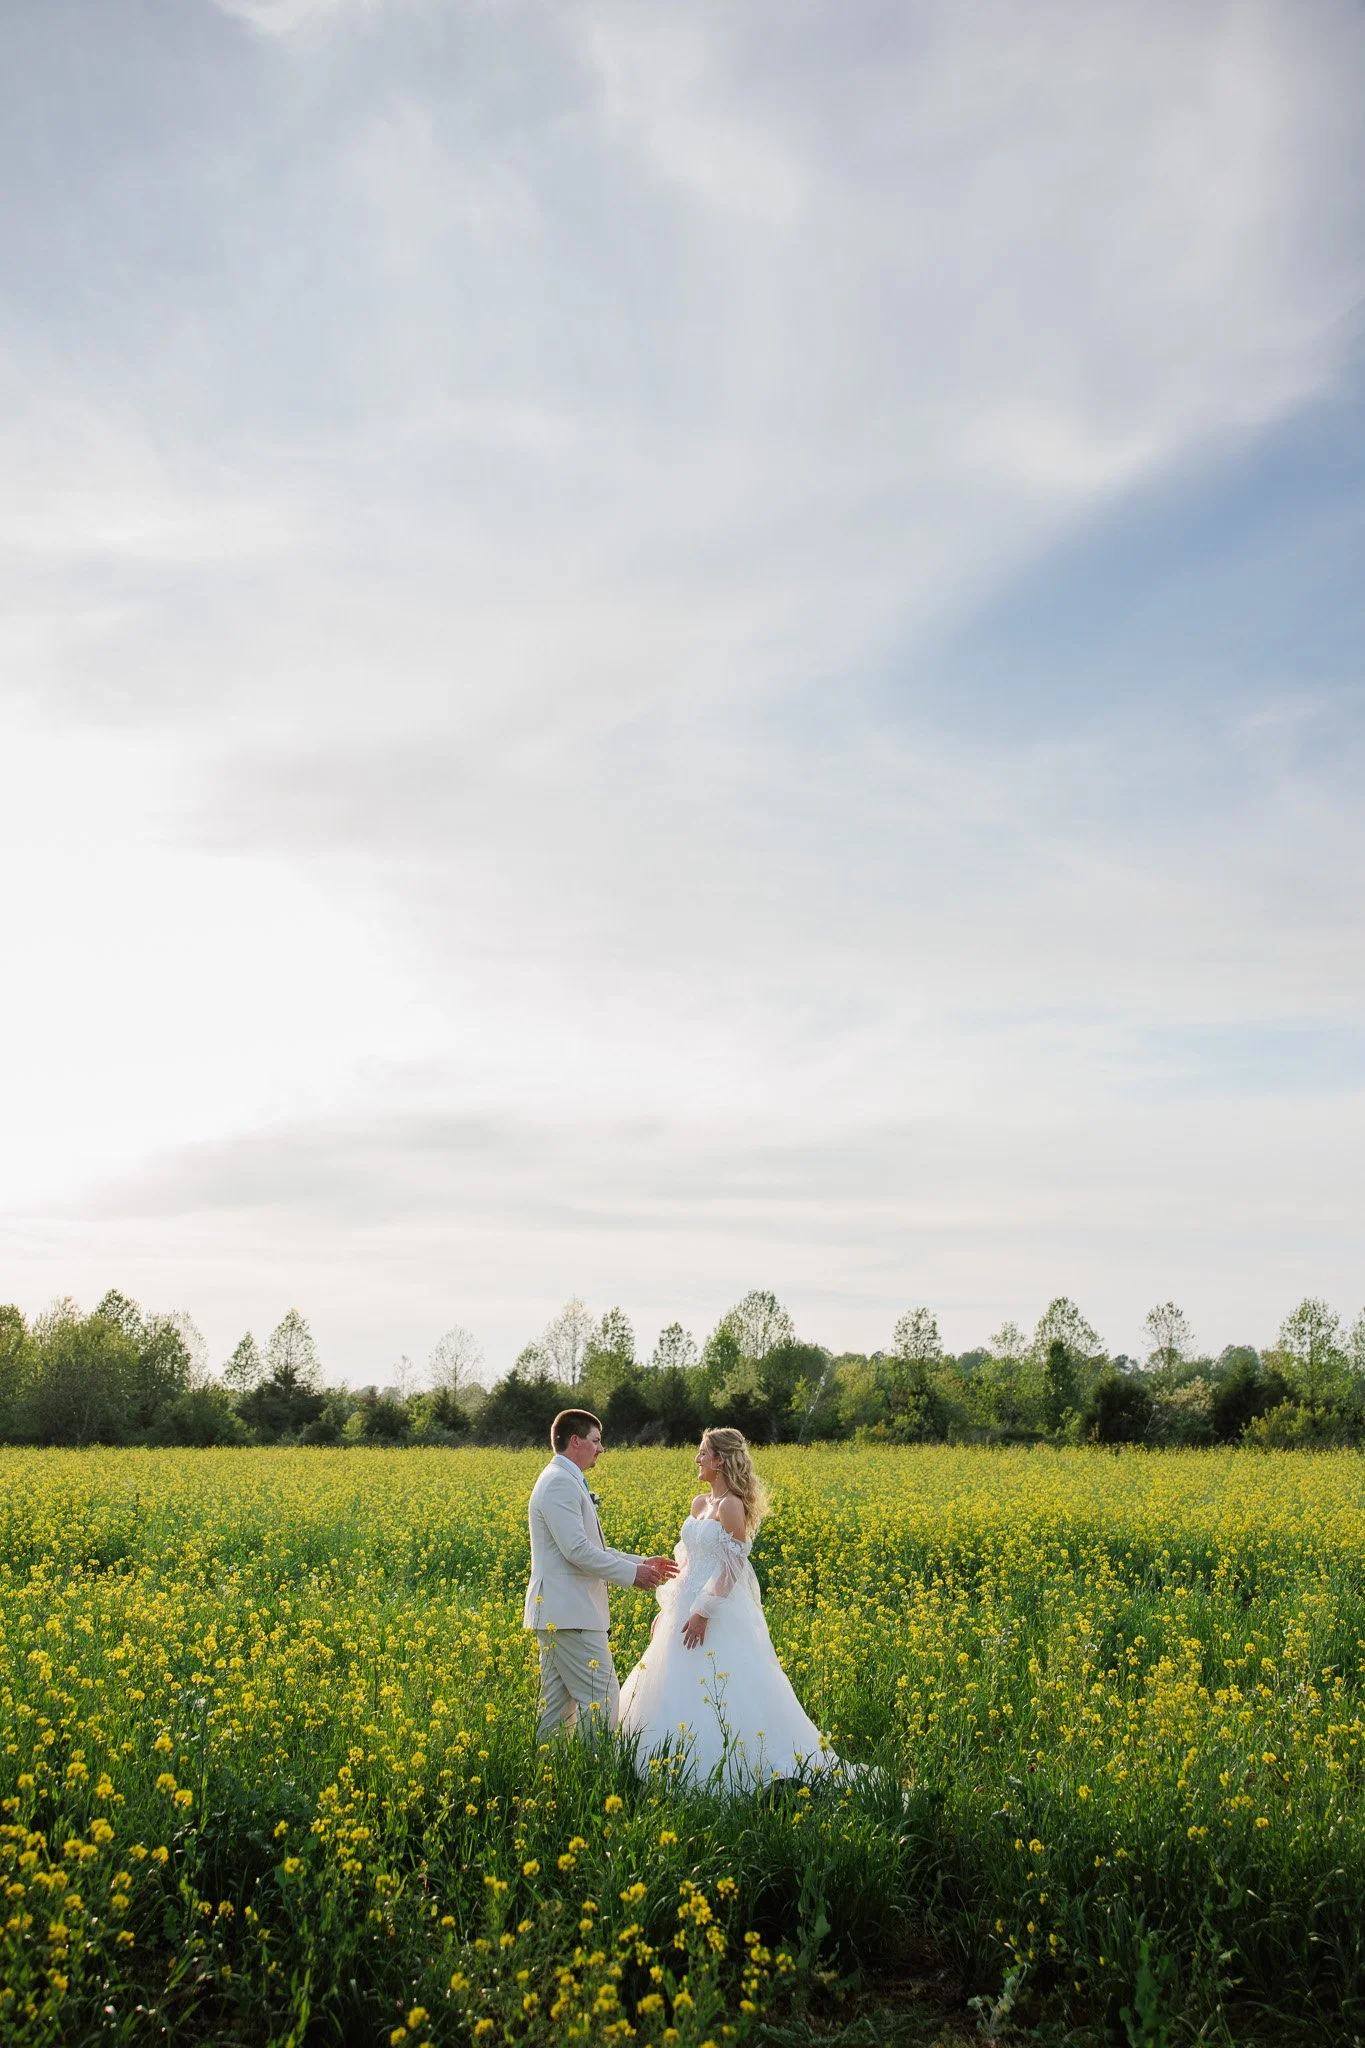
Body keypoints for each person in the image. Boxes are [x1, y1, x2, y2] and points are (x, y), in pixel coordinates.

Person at [618, 1426, 840, 1788]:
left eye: (703, 1453)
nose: (697, 1459)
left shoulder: (732, 1505)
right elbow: (687, 1561)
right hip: (683, 1606)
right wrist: (668, 1606)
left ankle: (726, 1772)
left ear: (719, 1460)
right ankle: (662, 1767)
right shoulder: (699, 1503)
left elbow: (733, 1565)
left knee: (720, 1686)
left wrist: (704, 1611)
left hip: (716, 1610)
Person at [524, 1408, 678, 1744]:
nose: (601, 1448)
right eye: (596, 1440)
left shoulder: (562, 1480)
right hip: (570, 1613)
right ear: (575, 1441)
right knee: (603, 1698)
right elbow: (576, 1551)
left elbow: (590, 1547)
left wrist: (642, 1562)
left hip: (560, 1612)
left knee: (556, 1708)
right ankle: (597, 1774)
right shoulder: (559, 1483)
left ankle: (551, 1781)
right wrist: (631, 1575)